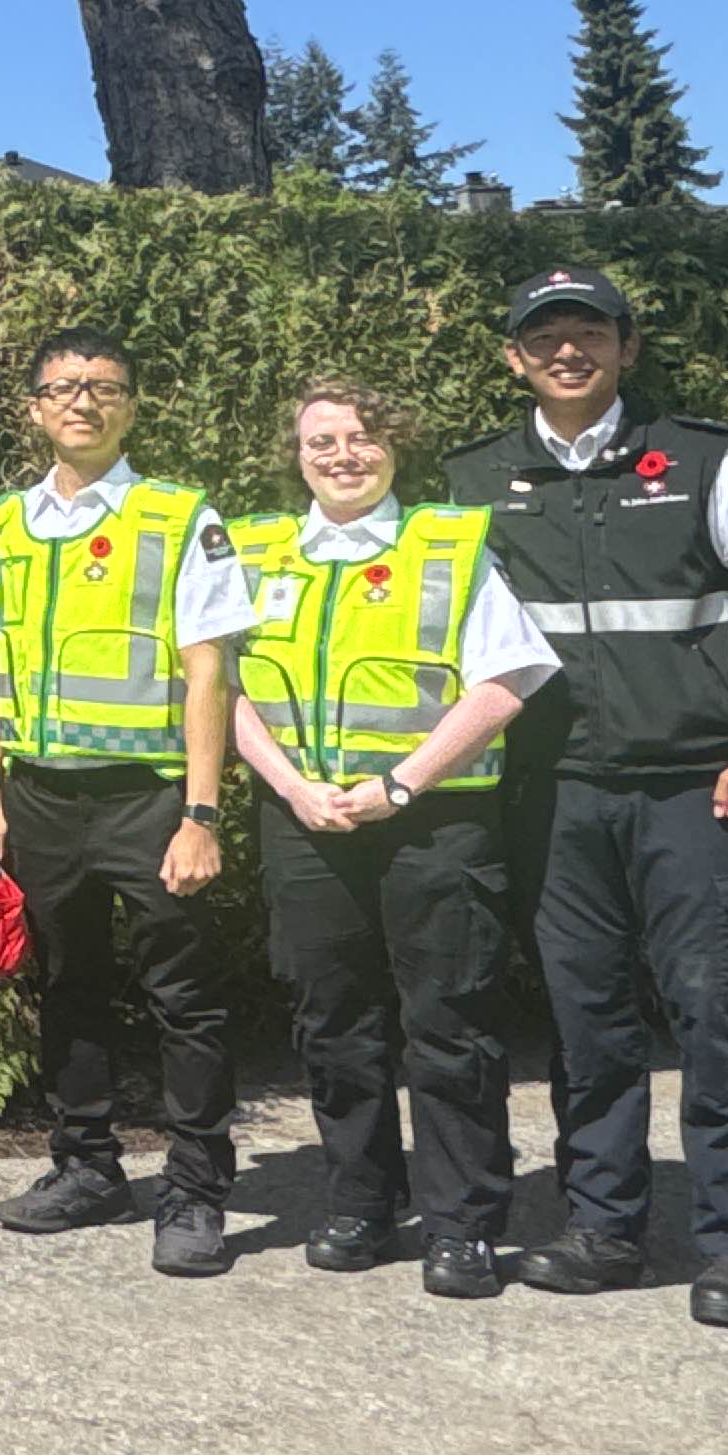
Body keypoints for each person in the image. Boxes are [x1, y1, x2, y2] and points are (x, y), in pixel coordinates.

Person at [450, 265, 728, 1332]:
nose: (568, 349)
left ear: (625, 346)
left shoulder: (700, 458)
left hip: (693, 787)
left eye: (589, 331)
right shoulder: (476, 479)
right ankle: (604, 1230)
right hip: (557, 793)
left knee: (719, 1016)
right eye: (545, 335)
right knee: (587, 1022)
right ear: (514, 356)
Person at [226, 382, 559, 1300]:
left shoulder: (447, 545)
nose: (342, 455)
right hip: (307, 819)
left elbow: (508, 679)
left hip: (434, 822)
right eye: (321, 440)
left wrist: (400, 785)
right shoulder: (253, 550)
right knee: (331, 1022)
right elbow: (217, 686)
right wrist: (293, 788)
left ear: (394, 448)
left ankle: (464, 1225)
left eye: (362, 438)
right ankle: (360, 1202)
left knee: (449, 1024)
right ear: (295, 453)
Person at [0, 327, 260, 1275]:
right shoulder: (1, 524)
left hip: (148, 798)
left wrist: (202, 813)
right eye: (62, 387)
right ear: (34, 407)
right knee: (68, 984)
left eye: (103, 387)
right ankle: (87, 1165)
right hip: (41, 797)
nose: (81, 402)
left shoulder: (179, 518)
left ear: (131, 405)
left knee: (184, 997)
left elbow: (208, 665)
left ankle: (198, 1188)